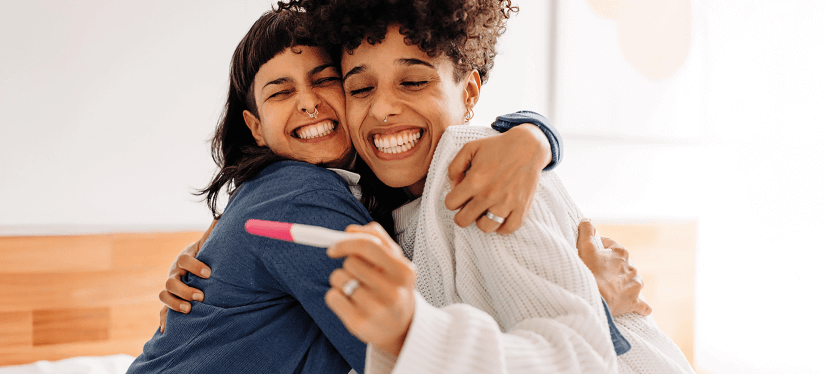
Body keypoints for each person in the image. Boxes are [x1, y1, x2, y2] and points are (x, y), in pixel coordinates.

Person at [127, 9, 608, 374]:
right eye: (280, 92)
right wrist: (601, 304)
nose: (310, 103)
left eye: (325, 80)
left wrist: (534, 135)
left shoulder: (394, 186)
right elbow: (391, 351)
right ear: (254, 126)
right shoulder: (299, 194)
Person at [272, 0, 696, 373]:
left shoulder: (481, 173)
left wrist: (411, 333)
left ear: (470, 91)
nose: (382, 107)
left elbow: (580, 359)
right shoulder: (376, 207)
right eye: (361, 88)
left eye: (414, 82)